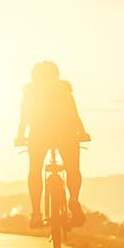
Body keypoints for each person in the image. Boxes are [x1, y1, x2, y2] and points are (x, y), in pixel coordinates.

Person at [14, 60, 90, 228]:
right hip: (66, 134)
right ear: (56, 75)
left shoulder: (30, 93)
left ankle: (36, 213)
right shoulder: (64, 91)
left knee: (35, 171)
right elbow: (74, 114)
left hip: (38, 136)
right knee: (72, 168)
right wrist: (82, 132)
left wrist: (20, 137)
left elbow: (24, 118)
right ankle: (74, 200)